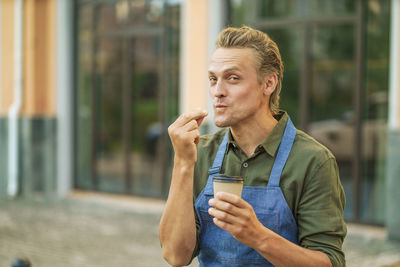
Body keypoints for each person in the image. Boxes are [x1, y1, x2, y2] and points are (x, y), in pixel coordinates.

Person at [159, 25, 346, 267]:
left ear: (268, 84)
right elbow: (176, 256)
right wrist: (183, 163)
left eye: (232, 78)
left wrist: (258, 236)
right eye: (213, 79)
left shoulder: (313, 161)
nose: (217, 92)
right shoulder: (199, 152)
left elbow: (329, 262)